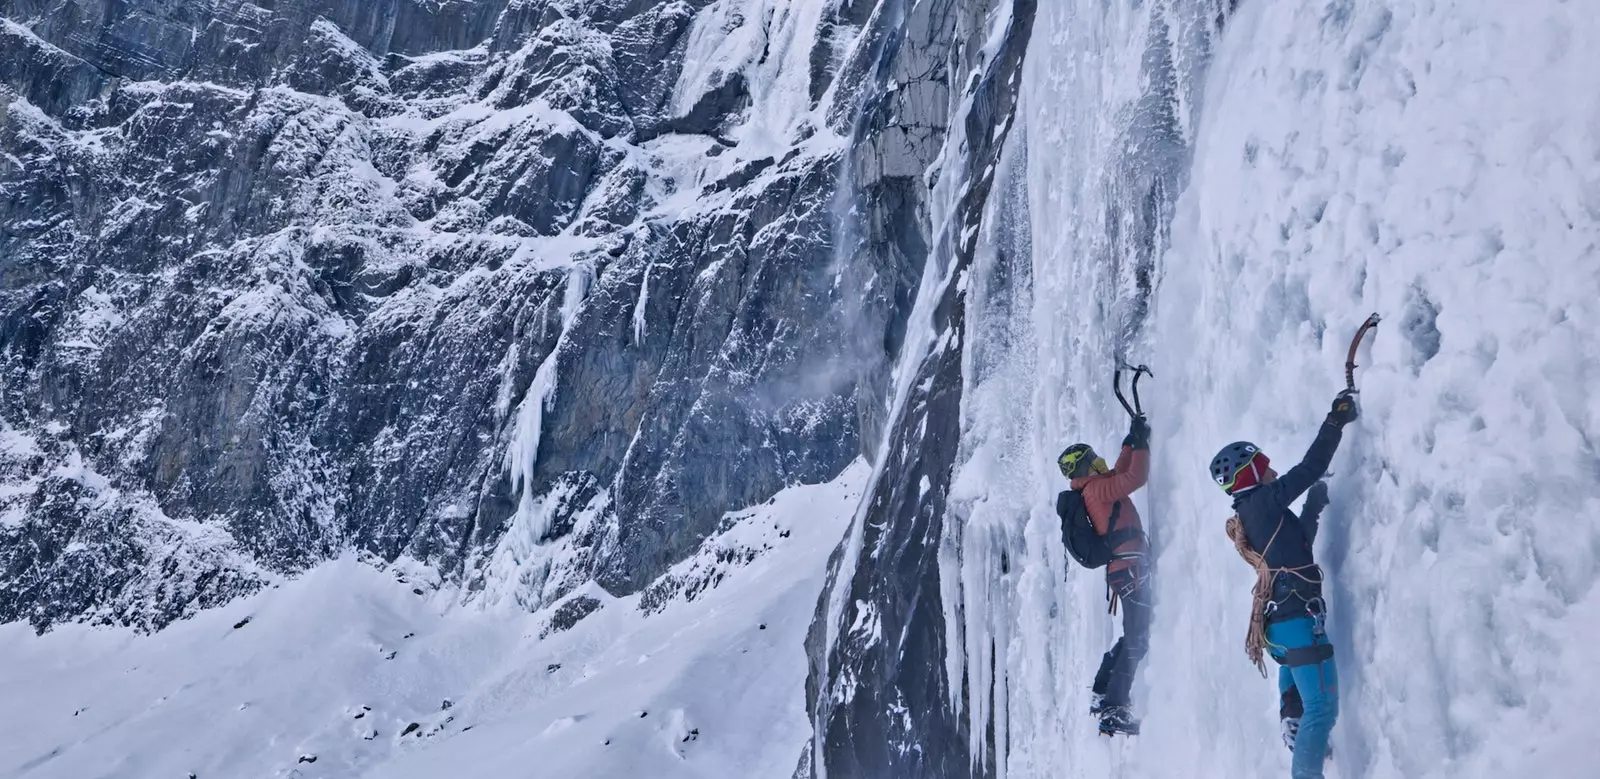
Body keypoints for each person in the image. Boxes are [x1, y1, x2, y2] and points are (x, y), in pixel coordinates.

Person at [1208, 392, 1358, 779]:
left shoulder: (1254, 511)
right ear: (1250, 473)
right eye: (1264, 465)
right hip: (1295, 618)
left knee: (1309, 707)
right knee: (1322, 710)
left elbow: (1297, 545)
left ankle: (1293, 720)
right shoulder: (1262, 502)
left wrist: (1314, 506)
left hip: (1283, 624)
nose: (1272, 470)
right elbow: (1308, 468)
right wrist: (1335, 422)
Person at [1056, 414, 1151, 735]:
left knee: (1134, 633)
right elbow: (1134, 477)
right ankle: (1114, 708)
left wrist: (1131, 441)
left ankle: (1102, 690)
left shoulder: (1094, 487)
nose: (1100, 462)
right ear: (1084, 469)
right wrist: (1142, 445)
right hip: (1130, 570)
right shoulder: (1096, 490)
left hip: (1126, 570)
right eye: (1093, 460)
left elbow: (1120, 472)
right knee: (1138, 639)